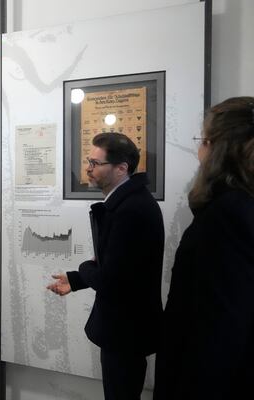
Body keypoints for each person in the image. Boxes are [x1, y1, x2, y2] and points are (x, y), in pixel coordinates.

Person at [47, 132, 164, 400]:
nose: (88, 168)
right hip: (125, 327)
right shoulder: (130, 203)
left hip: (125, 330)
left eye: (95, 163)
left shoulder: (131, 210)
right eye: (89, 161)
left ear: (122, 168)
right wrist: (78, 279)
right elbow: (120, 269)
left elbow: (110, 278)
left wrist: (84, 269)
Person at [154, 97, 254, 399]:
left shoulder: (225, 219)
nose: (199, 152)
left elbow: (215, 334)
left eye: (203, 140)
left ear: (218, 150)